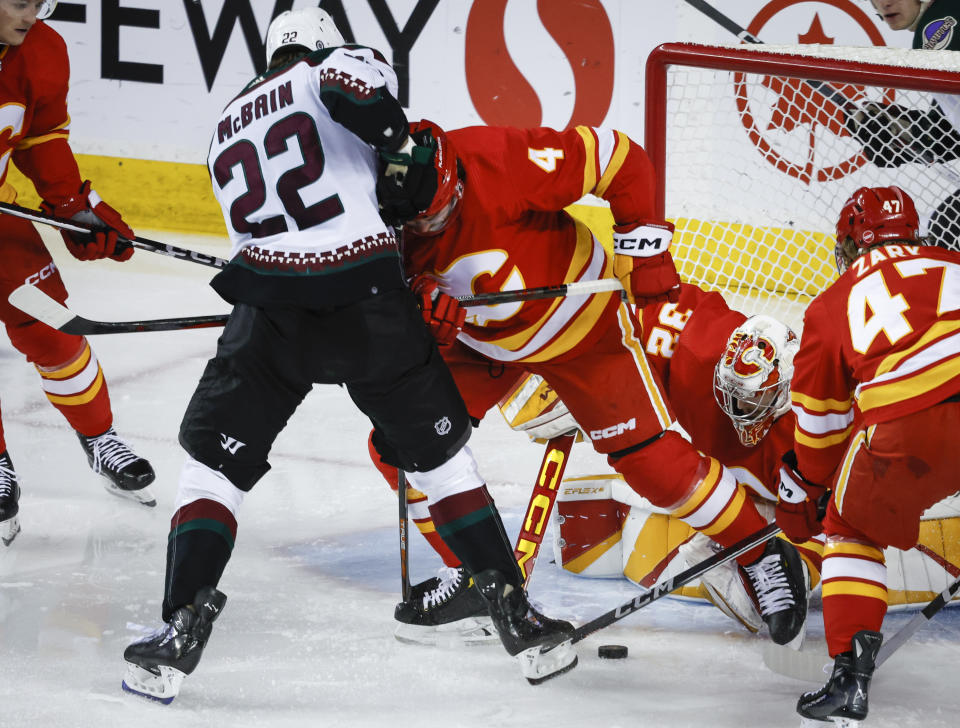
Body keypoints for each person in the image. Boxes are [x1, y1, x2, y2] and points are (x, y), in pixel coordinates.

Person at [120, 8, 575, 705]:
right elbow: (366, 115)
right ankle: (517, 617)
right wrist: (395, 143)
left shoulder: (224, 124)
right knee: (444, 463)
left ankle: (178, 627)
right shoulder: (335, 62)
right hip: (367, 301)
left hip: (268, 313)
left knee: (212, 471)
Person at [372, 119, 810, 649]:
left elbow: (620, 159)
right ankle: (476, 577)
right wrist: (427, 325)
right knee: (401, 447)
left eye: (440, 213)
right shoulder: (378, 216)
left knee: (652, 463)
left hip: (583, 325)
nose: (430, 228)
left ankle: (760, 550)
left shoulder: (498, 157)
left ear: (455, 179)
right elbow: (379, 316)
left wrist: (646, 256)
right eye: (418, 224)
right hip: (482, 344)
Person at [773, 186, 960, 724]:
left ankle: (849, 683)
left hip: (912, 425)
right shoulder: (951, 263)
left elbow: (820, 428)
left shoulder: (834, 302)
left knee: (851, 528)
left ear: (850, 245)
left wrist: (809, 488)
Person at [0, 0, 156, 548]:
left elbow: (41, 140)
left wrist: (75, 208)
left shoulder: (41, 50)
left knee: (57, 335)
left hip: (0, 216)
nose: (32, 15)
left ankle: (100, 439)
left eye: (40, 4)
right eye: (20, 3)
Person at [851, 0, 960, 250]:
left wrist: (906, 134)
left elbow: (944, 138)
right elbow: (947, 134)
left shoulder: (939, 23)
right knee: (948, 226)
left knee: (949, 232)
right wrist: (900, 133)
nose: (885, 4)